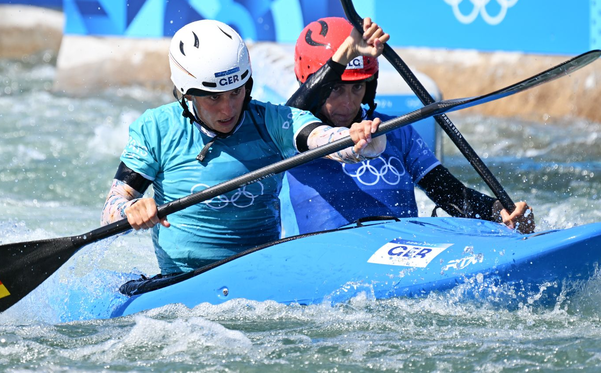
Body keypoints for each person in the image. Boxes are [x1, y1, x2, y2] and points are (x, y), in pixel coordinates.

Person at [100, 19, 387, 275]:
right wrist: (132, 209)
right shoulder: (156, 128)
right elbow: (110, 211)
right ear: (187, 94)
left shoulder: (272, 120)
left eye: (236, 92)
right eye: (214, 98)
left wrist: (358, 139)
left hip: (258, 276)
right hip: (182, 280)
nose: (228, 109)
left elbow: (322, 139)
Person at [285, 16, 535, 234]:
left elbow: (448, 192)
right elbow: (290, 113)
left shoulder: (396, 131)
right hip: (324, 260)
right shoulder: (283, 133)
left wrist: (498, 212)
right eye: (336, 89)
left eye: (357, 87)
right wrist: (346, 52)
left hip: (399, 252)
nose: (348, 102)